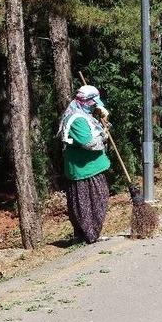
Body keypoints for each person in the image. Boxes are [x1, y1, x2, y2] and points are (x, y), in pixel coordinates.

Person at [57, 85, 112, 243]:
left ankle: (90, 234)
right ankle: (89, 235)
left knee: (98, 200)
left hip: (91, 167)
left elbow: (95, 131)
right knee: (87, 204)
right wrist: (104, 137)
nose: (95, 105)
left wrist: (104, 123)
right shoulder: (76, 119)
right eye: (93, 103)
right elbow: (88, 142)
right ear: (85, 101)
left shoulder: (84, 114)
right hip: (83, 169)